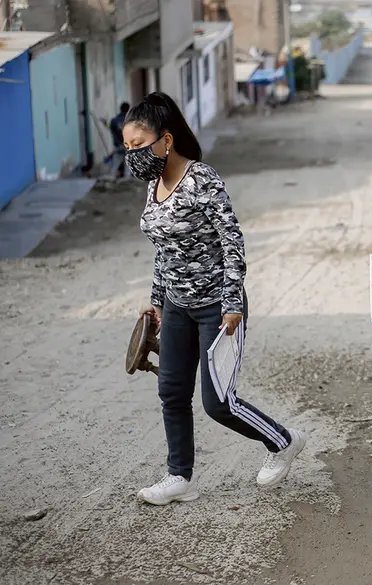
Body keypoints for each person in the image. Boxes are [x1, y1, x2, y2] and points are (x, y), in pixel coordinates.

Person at [124, 92, 307, 505]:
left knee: (218, 402)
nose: (132, 155)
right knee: (171, 392)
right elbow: (163, 249)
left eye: (138, 145)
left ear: (165, 140)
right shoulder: (154, 185)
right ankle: (178, 477)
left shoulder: (202, 179)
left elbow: (232, 242)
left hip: (217, 307)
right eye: (127, 148)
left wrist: (232, 303)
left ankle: (283, 441)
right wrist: (156, 300)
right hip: (175, 306)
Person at [110, 102, 130, 177]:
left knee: (115, 164)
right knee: (128, 166)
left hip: (118, 146)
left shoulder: (114, 121)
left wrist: (118, 143)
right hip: (128, 146)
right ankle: (126, 181)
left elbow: (113, 132)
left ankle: (111, 179)